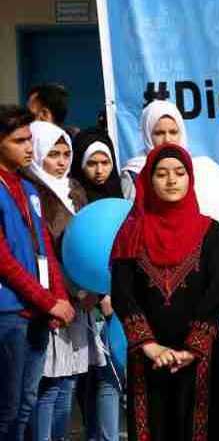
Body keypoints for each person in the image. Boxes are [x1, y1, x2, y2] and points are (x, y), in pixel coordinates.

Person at [111, 143, 219, 441]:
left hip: (199, 355)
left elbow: (217, 291)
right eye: (161, 174)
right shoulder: (131, 232)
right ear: (149, 181)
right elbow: (123, 294)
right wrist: (150, 346)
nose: (171, 180)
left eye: (179, 172)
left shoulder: (209, 231)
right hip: (148, 356)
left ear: (190, 178)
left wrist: (191, 349)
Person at [0, 106, 74, 441]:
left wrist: (58, 298)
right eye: (19, 140)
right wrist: (47, 300)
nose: (29, 147)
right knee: (8, 407)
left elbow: (45, 248)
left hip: (37, 312)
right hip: (9, 312)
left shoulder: (29, 188)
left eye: (30, 139)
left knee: (26, 403)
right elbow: (4, 260)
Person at [24, 121, 94, 441]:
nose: (62, 161)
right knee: (48, 384)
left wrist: (92, 288)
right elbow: (43, 247)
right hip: (54, 297)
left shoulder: (75, 188)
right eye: (53, 154)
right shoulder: (32, 190)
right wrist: (59, 294)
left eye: (66, 153)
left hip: (82, 297)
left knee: (69, 381)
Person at [70, 127, 123, 441]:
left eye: (105, 162)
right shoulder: (74, 199)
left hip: (115, 304)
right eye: (92, 163)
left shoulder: (119, 199)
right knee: (84, 381)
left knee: (109, 376)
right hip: (84, 302)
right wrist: (95, 291)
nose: (100, 170)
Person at [120, 100, 188, 200]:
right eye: (159, 133)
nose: (167, 140)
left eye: (173, 132)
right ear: (147, 135)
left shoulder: (200, 168)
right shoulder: (134, 172)